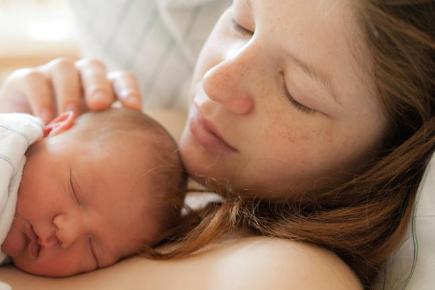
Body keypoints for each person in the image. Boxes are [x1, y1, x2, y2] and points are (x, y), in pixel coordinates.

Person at [0, 0, 433, 289]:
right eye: (241, 23)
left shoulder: (288, 274)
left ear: (390, 157)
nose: (214, 80)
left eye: (297, 94)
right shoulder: (131, 134)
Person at [0, 109, 186, 277]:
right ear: (54, 128)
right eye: (75, 191)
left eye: (93, 250)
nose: (67, 234)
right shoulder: (10, 141)